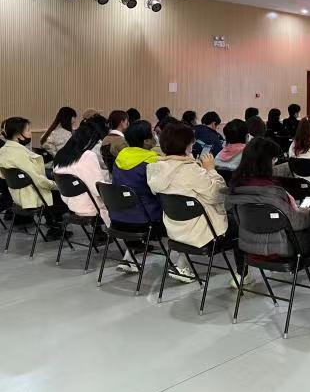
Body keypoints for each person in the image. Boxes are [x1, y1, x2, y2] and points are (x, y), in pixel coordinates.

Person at [224, 137, 310, 307]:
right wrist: (306, 213)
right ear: (265, 162)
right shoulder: (271, 192)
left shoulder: (235, 188)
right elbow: (295, 223)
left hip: (250, 245)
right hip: (281, 246)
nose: (275, 163)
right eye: (273, 160)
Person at [146, 122, 244, 283]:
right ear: (187, 145)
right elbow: (218, 195)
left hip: (175, 229)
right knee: (240, 224)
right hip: (202, 233)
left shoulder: (156, 168)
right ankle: (242, 276)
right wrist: (210, 170)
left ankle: (182, 264)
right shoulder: (191, 171)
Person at [113, 120, 191, 278]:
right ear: (146, 141)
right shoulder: (152, 161)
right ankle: (182, 265)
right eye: (152, 135)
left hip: (118, 218)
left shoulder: (120, 158)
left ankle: (129, 258)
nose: (155, 137)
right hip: (146, 221)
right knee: (185, 216)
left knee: (136, 204)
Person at [0, 117, 66, 239]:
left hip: (17, 196)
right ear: (18, 135)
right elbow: (38, 180)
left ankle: (53, 224)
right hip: (31, 197)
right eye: (28, 130)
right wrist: (57, 186)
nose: (31, 133)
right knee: (63, 193)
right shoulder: (19, 153)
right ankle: (55, 227)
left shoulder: (3, 150)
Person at [53, 121, 111, 233]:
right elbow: (97, 188)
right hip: (91, 206)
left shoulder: (61, 155)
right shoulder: (88, 156)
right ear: (91, 140)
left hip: (72, 204)